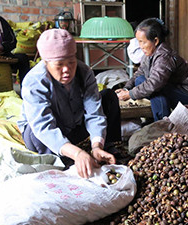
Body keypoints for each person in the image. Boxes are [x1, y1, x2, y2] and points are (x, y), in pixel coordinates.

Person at [18, 29, 123, 178]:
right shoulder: (34, 81)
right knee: (32, 132)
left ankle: (105, 151)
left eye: (71, 62)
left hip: (75, 125)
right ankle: (62, 160)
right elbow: (43, 127)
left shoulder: (84, 72)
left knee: (109, 97)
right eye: (59, 65)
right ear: (46, 62)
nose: (67, 70)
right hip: (48, 135)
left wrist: (96, 145)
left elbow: (94, 113)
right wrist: (77, 153)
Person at [116, 18, 188, 121]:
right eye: (139, 42)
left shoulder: (164, 56)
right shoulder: (149, 54)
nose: (140, 46)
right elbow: (139, 73)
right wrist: (126, 89)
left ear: (155, 41)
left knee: (155, 87)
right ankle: (160, 120)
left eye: (143, 42)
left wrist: (129, 94)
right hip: (179, 91)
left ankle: (163, 123)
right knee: (140, 80)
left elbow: (155, 83)